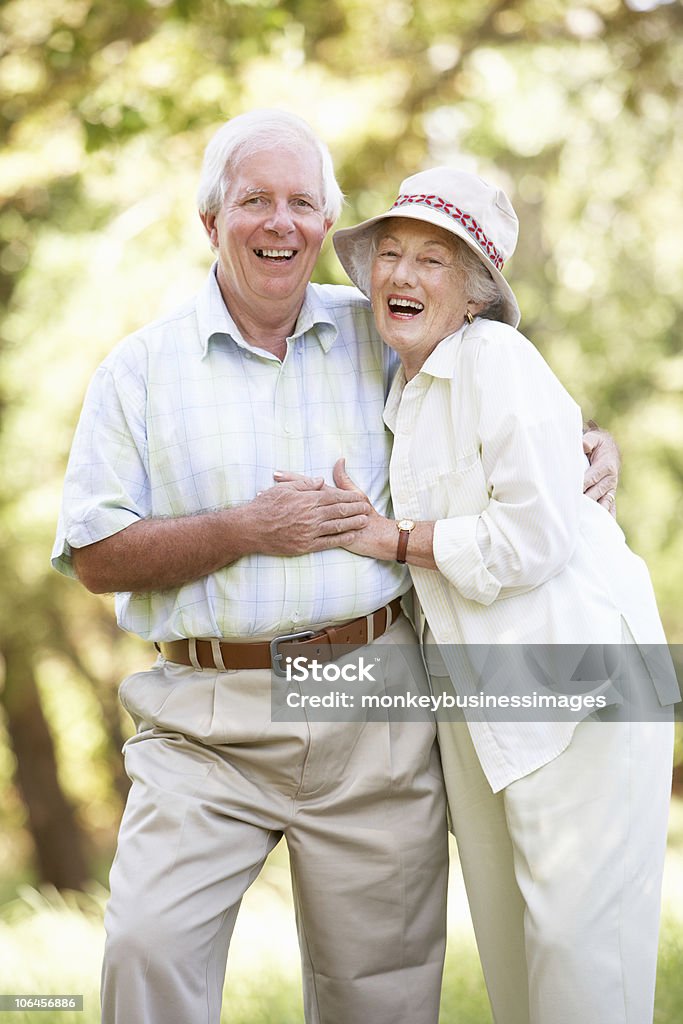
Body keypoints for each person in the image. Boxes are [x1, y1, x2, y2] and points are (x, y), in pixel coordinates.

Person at [51, 110, 619, 1024]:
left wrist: (592, 444)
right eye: (255, 202)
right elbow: (93, 554)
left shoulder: (385, 328)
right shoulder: (138, 370)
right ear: (211, 223)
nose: (280, 222)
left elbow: (510, 406)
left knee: (379, 995)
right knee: (147, 949)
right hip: (204, 718)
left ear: (325, 225)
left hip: (371, 707)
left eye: (302, 203)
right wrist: (247, 527)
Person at [323, 166, 680, 1024]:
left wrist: (395, 540)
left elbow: (534, 535)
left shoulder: (496, 360)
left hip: (584, 684)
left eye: (432, 261)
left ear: (476, 293)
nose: (401, 275)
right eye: (390, 254)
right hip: (482, 697)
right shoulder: (400, 381)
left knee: (576, 947)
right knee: (512, 943)